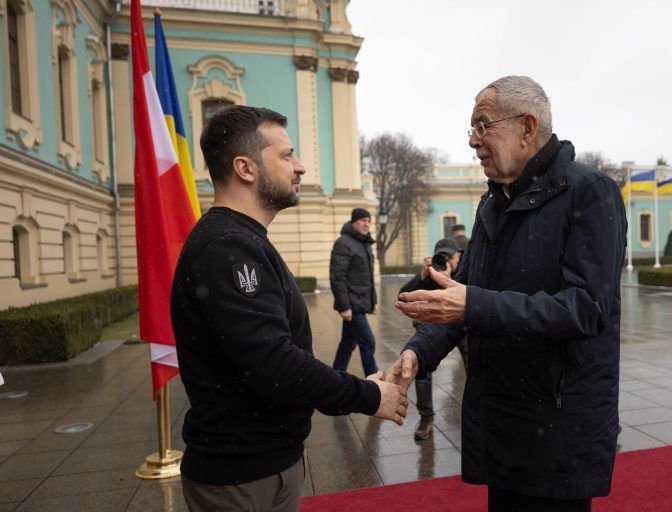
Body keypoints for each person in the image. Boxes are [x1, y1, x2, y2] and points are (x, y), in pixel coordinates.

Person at [386, 76, 627, 512]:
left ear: (527, 126)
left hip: (557, 424)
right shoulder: (493, 203)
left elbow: (587, 308)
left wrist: (473, 304)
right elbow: (466, 297)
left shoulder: (590, 192)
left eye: (482, 126)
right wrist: (419, 351)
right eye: (471, 130)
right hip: (502, 419)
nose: (474, 142)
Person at [170, 106, 407, 512]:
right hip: (240, 478)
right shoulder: (228, 246)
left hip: (264, 463)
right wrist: (367, 395)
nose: (299, 167)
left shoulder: (243, 238)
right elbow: (275, 364)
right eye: (286, 155)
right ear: (245, 168)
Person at [399, 238, 468, 441]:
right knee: (421, 368)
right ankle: (426, 418)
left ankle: (481, 412)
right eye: (441, 256)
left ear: (458, 255)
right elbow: (402, 295)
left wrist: (449, 282)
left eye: (448, 256)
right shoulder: (431, 271)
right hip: (434, 329)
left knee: (475, 363)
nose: (444, 261)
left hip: (465, 328)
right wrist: (422, 277)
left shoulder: (469, 268)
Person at [330, 208, 379, 377]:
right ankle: (374, 382)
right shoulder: (343, 243)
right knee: (368, 341)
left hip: (359, 303)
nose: (366, 224)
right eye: (363, 220)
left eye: (369, 220)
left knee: (348, 344)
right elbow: (337, 276)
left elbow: (367, 277)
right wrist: (344, 306)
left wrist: (373, 303)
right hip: (352, 304)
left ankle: (334, 378)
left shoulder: (364, 243)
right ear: (353, 222)